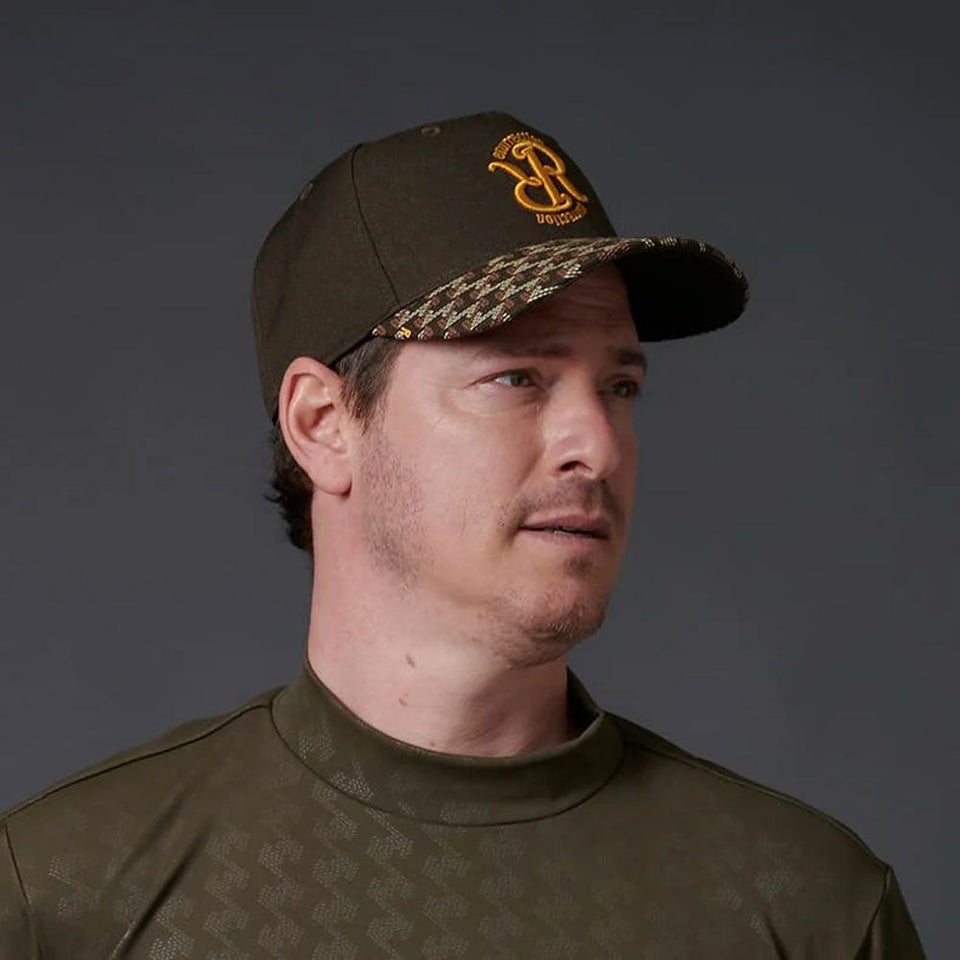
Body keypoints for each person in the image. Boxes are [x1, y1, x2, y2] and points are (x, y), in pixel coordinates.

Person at [0, 111, 926, 958]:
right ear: (323, 424)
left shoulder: (809, 908)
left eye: (620, 387)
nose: (598, 445)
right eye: (516, 377)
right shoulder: (63, 895)